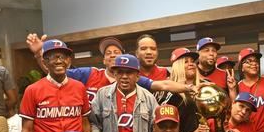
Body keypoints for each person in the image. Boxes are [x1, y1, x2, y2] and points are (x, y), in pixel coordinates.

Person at [26, 33, 193, 102]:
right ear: (104, 60)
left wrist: (188, 87)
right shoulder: (89, 73)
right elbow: (54, 71)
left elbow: (163, 84)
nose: (112, 55)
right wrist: (39, 53)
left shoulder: (130, 78)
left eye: (117, 52)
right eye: (108, 53)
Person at [20, 39, 91, 132]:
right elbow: (27, 131)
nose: (59, 61)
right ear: (44, 62)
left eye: (63, 57)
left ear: (69, 61)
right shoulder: (32, 90)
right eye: (53, 57)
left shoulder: (79, 87)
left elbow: (85, 123)